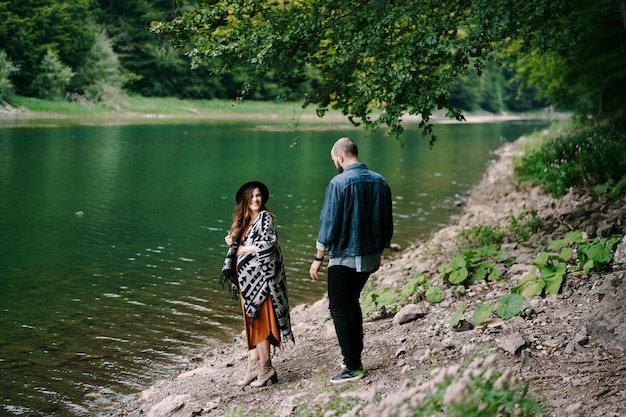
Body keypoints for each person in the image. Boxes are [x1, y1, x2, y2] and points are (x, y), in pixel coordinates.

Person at [309, 137, 393, 384]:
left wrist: (317, 258)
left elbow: (329, 223)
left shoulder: (339, 182)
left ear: (340, 157)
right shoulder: (381, 181)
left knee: (338, 307)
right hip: (369, 257)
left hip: (345, 256)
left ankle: (353, 366)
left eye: (334, 160)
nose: (335, 163)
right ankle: (353, 359)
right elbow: (386, 222)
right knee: (350, 303)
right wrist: (380, 252)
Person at [222, 181, 294, 387]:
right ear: (245, 199)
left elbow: (269, 244)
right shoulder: (243, 222)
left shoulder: (265, 218)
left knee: (260, 325)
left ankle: (266, 368)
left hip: (261, 284)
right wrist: (232, 240)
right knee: (251, 325)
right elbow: (237, 247)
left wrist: (244, 249)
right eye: (252, 196)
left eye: (259, 195)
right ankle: (253, 365)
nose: (256, 199)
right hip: (246, 284)